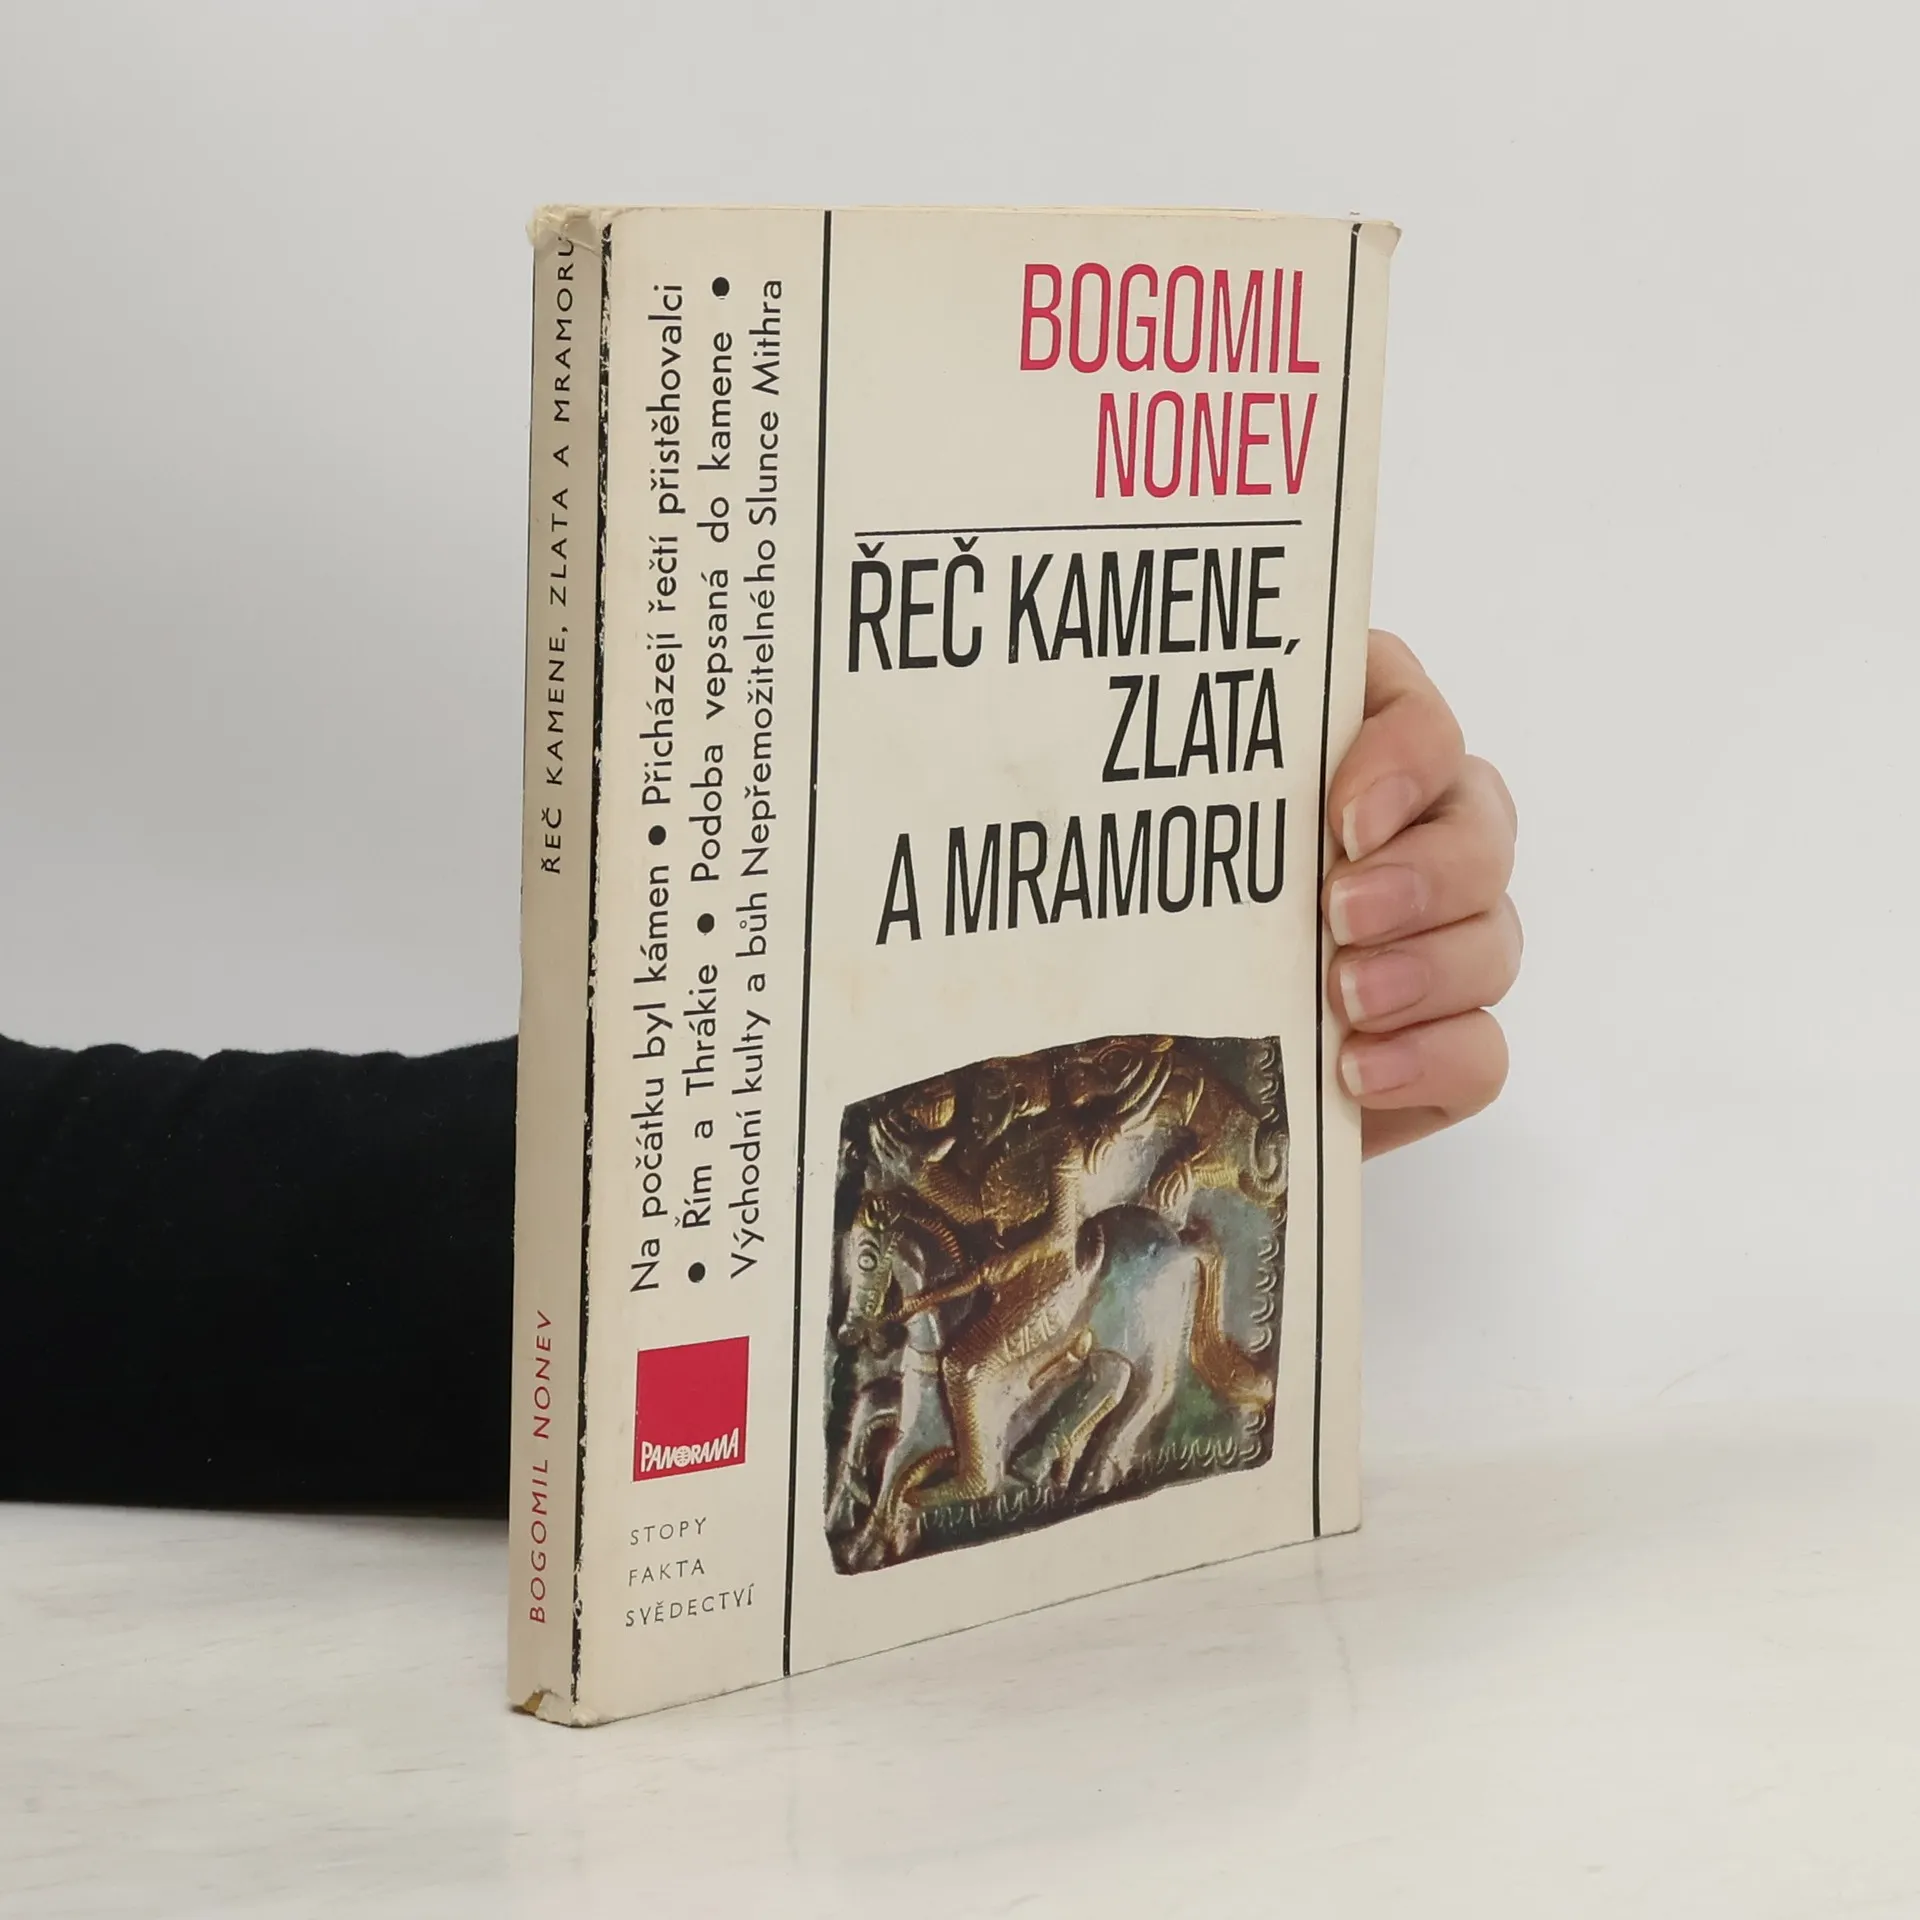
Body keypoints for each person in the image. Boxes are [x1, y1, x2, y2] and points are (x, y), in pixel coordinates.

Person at [0, 630, 1518, 1513]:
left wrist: (1102, 982)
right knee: (971, 1381)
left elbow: (75, 1233)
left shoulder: (1069, 1160)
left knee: (980, 1377)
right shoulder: (1040, 1170)